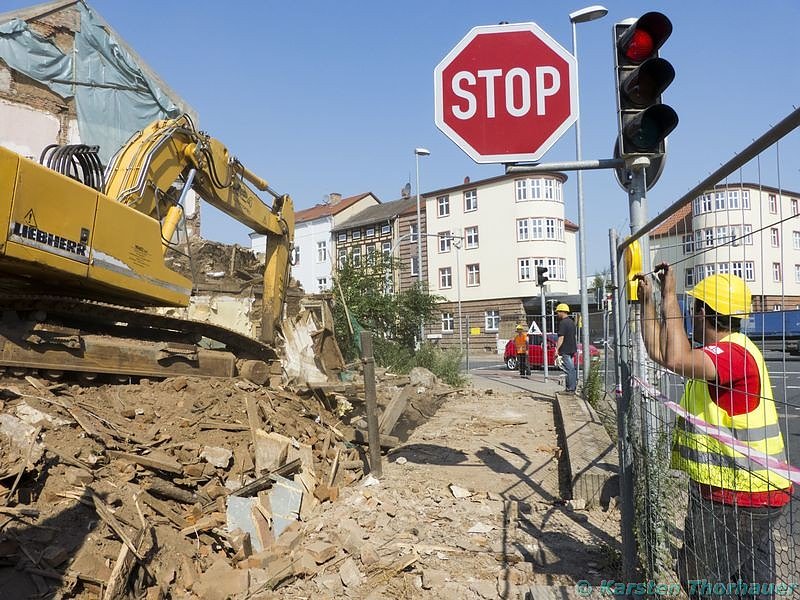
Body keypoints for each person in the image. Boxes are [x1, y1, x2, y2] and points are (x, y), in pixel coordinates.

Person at [636, 263, 792, 598]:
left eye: (694, 308)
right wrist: (648, 302)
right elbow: (662, 353)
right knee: (750, 582)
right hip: (748, 493)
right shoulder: (717, 353)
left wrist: (669, 294)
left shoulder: (734, 354)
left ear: (703, 311)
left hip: (740, 495)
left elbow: (676, 358)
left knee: (699, 579)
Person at [554, 303, 577, 393]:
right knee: (570, 369)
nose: (557, 314)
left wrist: (557, 349)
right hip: (572, 348)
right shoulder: (571, 322)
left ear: (562, 312)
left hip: (565, 349)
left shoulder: (563, 323)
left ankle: (570, 389)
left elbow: (561, 337)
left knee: (569, 369)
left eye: (558, 312)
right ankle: (570, 388)